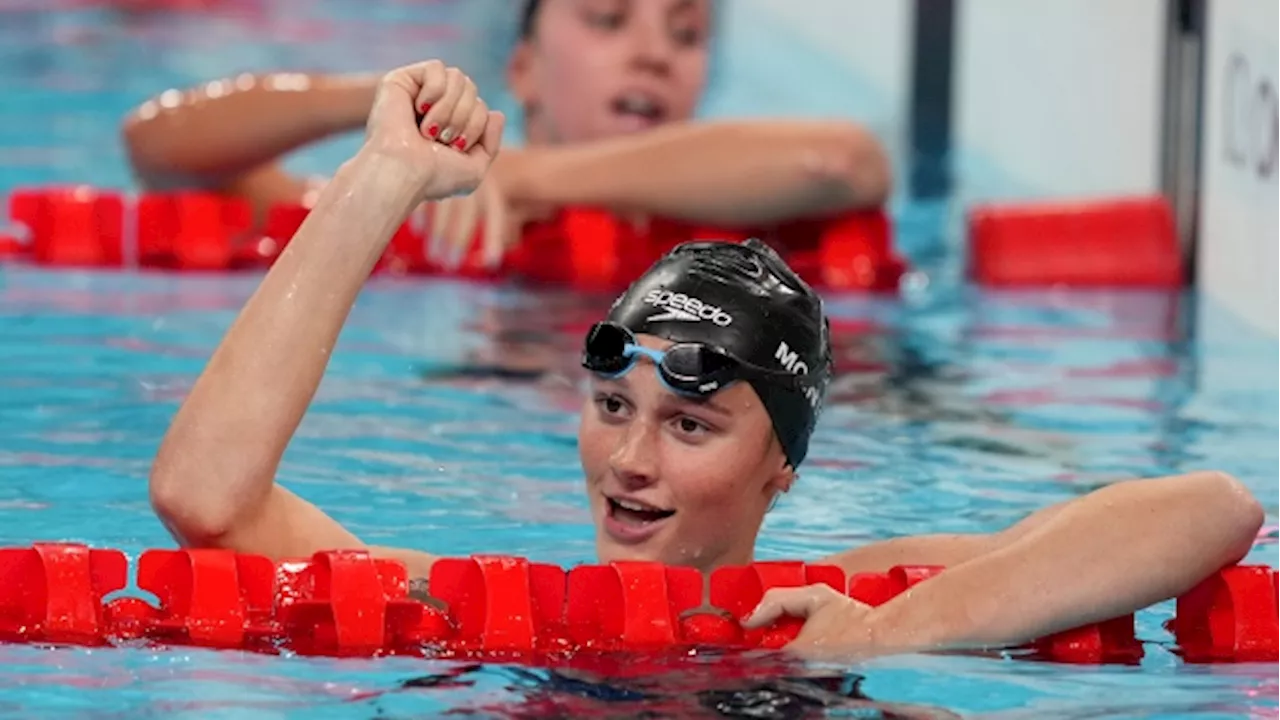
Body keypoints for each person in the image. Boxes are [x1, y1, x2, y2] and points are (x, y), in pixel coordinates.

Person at [149, 60, 1264, 661]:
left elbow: (1205, 508)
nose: (627, 459)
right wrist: (379, 185)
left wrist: (890, 630)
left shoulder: (842, 598)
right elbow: (205, 500)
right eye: (610, 405)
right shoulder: (493, 614)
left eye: (688, 425)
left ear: (783, 468)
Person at [120, 0, 892, 267]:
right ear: (522, 69)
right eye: (608, 20)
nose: (655, 53)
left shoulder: (746, 236)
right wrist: (378, 97)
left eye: (687, 34)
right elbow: (160, 150)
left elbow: (840, 160)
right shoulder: (424, 216)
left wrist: (524, 176)